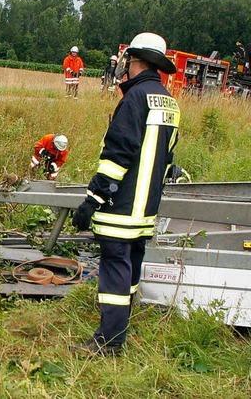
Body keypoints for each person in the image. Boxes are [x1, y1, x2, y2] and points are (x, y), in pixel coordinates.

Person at [71, 32, 180, 356]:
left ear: (136, 61)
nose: (125, 66)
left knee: (115, 269)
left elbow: (117, 156)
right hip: (147, 208)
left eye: (128, 61)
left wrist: (93, 200)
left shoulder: (134, 99)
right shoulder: (168, 101)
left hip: (122, 206)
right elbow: (167, 156)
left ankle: (109, 341)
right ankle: (121, 322)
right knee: (131, 266)